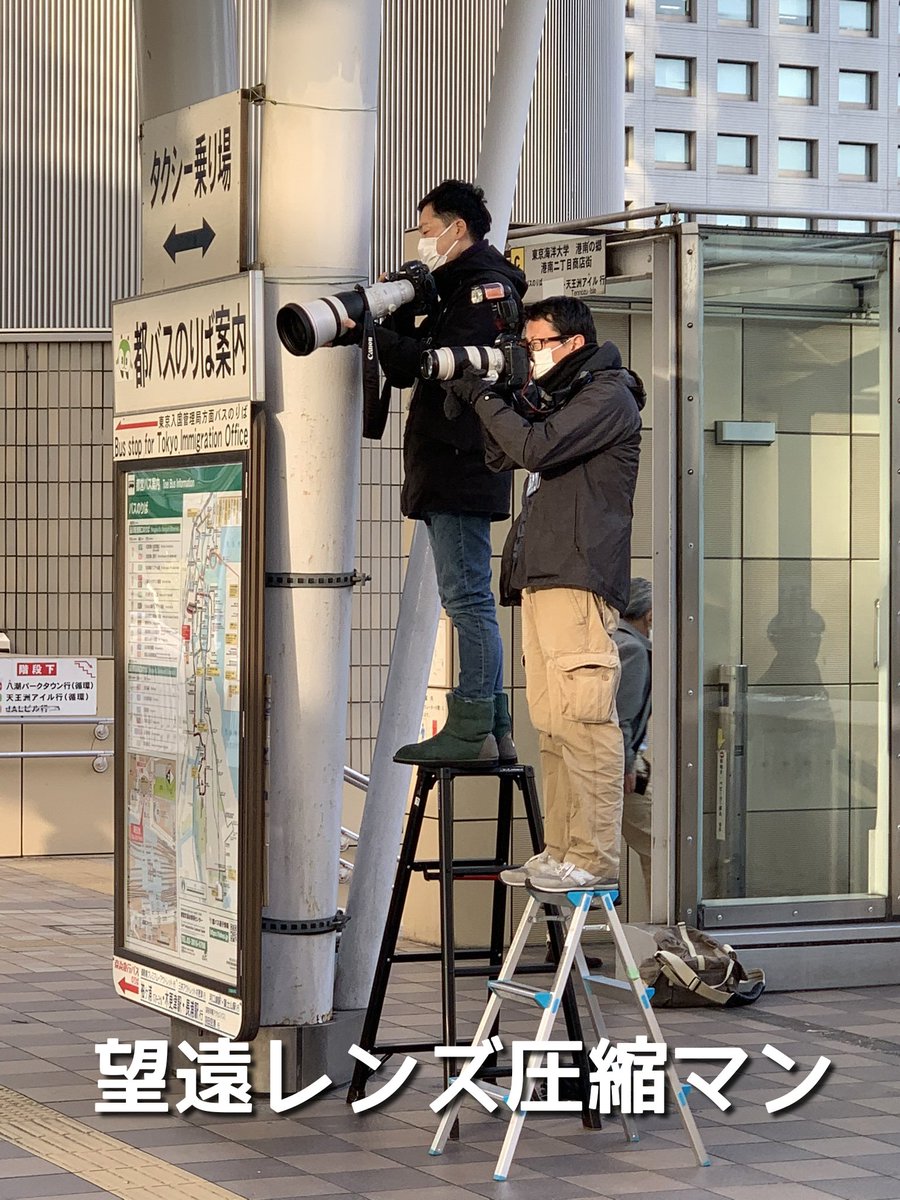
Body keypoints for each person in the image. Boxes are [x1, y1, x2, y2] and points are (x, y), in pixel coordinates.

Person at [448, 295, 645, 892]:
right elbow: (501, 452)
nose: (529, 356)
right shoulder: (559, 397)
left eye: (538, 345)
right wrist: (497, 396)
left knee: (585, 720)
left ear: (573, 343)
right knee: (555, 724)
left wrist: (484, 395)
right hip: (543, 577)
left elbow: (535, 448)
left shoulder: (607, 394)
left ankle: (589, 857)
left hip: (578, 577)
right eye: (526, 345)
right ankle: (561, 849)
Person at [371, 180, 528, 767]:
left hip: (461, 461)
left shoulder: (484, 289)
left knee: (467, 599)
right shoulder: (452, 286)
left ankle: (470, 726)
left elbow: (442, 367)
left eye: (426, 227)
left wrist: (368, 329)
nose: (421, 238)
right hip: (452, 461)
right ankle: (495, 722)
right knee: (465, 596)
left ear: (456, 228)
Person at [614, 578, 653, 903]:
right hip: (623, 768)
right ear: (650, 615)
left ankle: (557, 934)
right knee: (659, 845)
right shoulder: (634, 650)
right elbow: (623, 716)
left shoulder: (613, 640)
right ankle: (667, 930)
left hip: (608, 761)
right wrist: (627, 764)